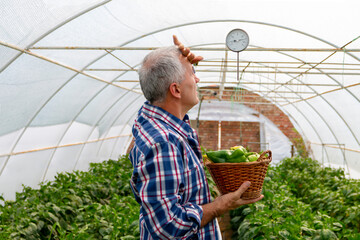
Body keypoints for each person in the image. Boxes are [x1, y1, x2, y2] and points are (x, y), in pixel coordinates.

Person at [128, 35, 263, 239]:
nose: (197, 79)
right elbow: (167, 225)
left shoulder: (153, 123)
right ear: (176, 89)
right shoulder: (163, 142)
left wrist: (183, 65)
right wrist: (219, 206)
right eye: (193, 74)